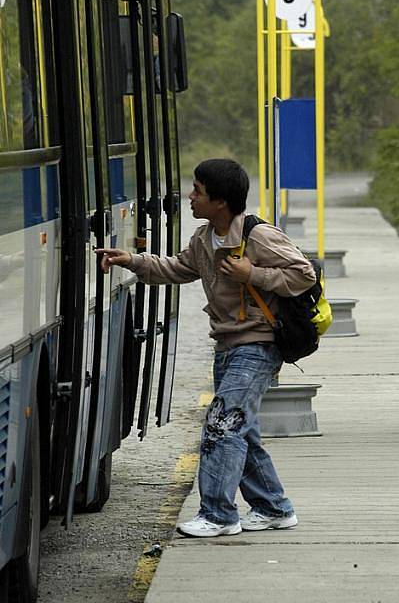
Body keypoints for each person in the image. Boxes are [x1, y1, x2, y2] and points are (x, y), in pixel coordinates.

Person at [96, 158, 316, 536]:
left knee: (221, 426)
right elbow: (178, 268)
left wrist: (254, 274)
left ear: (221, 201)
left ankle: (217, 515)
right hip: (228, 345)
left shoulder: (258, 236)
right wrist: (131, 261)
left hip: (258, 343)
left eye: (197, 190)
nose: (190, 197)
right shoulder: (203, 238)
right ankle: (274, 507)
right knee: (240, 430)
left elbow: (304, 274)